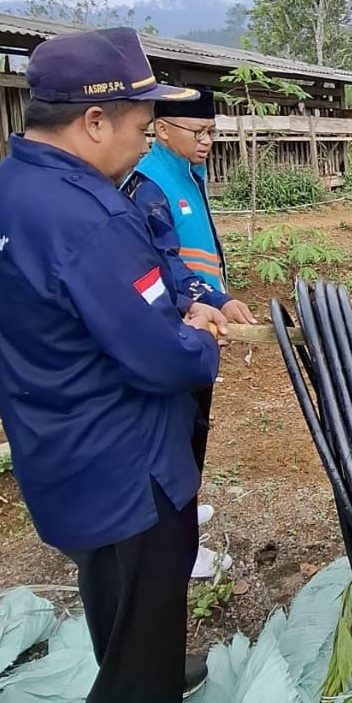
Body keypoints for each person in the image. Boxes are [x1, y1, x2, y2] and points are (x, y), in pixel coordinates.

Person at [0, 27, 221, 703]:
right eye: (142, 127)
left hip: (62, 451)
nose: (146, 141)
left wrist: (174, 307)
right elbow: (159, 356)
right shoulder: (90, 220)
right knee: (141, 628)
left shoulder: (9, 188)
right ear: (92, 122)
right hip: (126, 469)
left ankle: (148, 665)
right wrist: (201, 339)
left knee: (120, 600)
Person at [125, 87, 256, 581]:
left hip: (201, 320)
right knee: (176, 435)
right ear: (161, 130)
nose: (207, 141)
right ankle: (180, 547)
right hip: (177, 325)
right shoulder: (149, 186)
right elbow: (165, 266)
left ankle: (184, 510)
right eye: (198, 132)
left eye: (212, 132)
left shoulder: (187, 172)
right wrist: (211, 301)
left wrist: (219, 299)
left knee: (194, 425)